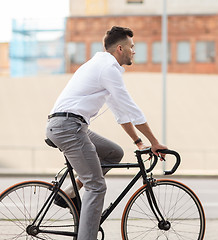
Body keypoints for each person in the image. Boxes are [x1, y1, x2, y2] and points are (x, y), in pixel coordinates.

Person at [46, 26, 167, 240]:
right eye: (132, 47)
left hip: (72, 126)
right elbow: (131, 108)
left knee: (113, 153)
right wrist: (155, 142)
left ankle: (68, 194)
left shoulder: (101, 66)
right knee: (96, 186)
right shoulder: (107, 68)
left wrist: (139, 142)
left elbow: (120, 111)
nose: (134, 51)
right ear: (120, 48)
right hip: (68, 127)